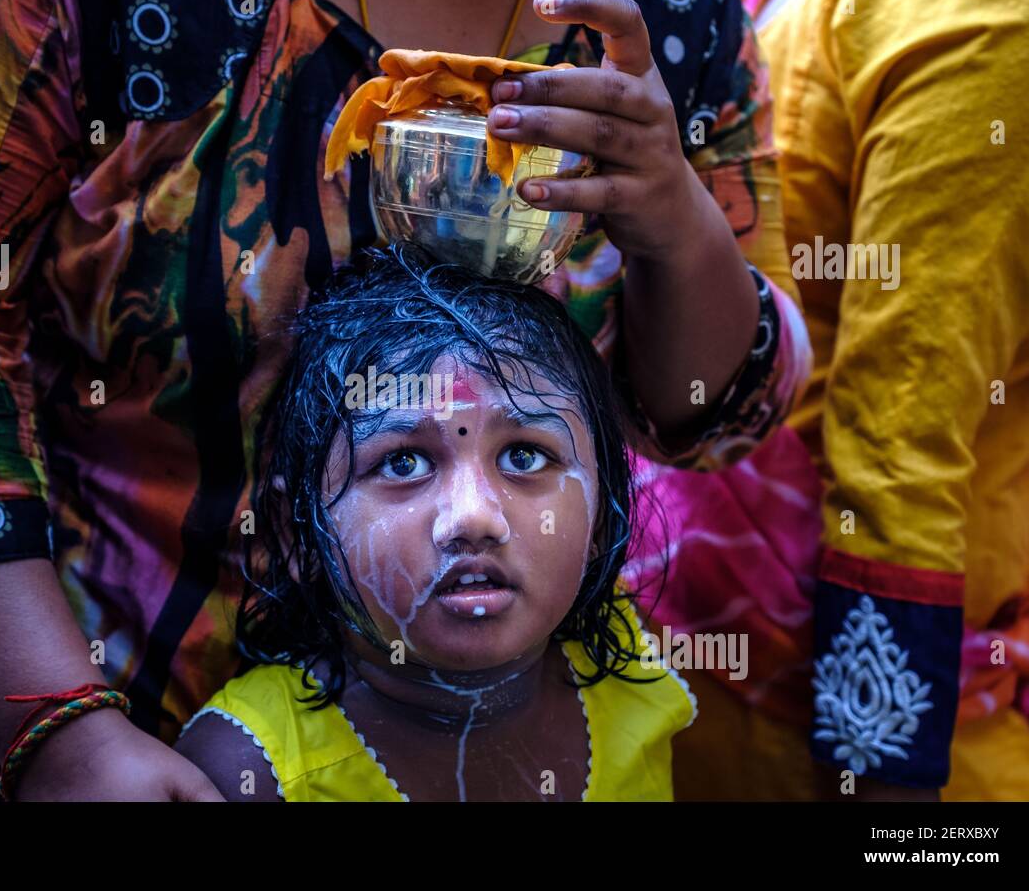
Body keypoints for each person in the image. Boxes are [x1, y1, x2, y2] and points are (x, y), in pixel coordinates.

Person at [0, 0, 809, 801]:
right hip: (18, 691)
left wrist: (672, 220)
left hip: (452, 735)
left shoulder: (670, 16)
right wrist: (60, 731)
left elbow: (718, 409)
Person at [637, 0, 1029, 801]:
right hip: (833, 709)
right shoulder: (1002, 27)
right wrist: (883, 779)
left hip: (700, 630)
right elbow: (900, 439)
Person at [177, 244, 695, 801]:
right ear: (295, 533)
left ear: (601, 519)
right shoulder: (247, 770)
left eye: (523, 456)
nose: (473, 517)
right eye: (404, 463)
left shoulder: (631, 664)